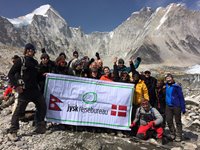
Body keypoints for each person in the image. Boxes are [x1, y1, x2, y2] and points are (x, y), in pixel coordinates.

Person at [7, 43, 47, 141]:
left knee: (42, 106)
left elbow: (37, 76)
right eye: (28, 49)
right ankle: (13, 131)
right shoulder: (21, 60)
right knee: (19, 111)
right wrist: (16, 86)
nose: (30, 51)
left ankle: (40, 126)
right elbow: (11, 74)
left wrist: (43, 76)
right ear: (25, 50)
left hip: (35, 90)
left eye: (32, 49)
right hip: (24, 91)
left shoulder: (35, 62)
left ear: (34, 51)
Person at [165, 73, 185, 142]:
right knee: (169, 120)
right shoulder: (166, 85)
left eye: (170, 78)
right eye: (167, 78)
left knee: (178, 121)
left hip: (176, 106)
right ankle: (172, 133)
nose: (169, 79)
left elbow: (181, 97)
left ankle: (179, 135)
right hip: (168, 106)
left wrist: (183, 108)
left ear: (172, 78)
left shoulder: (177, 87)